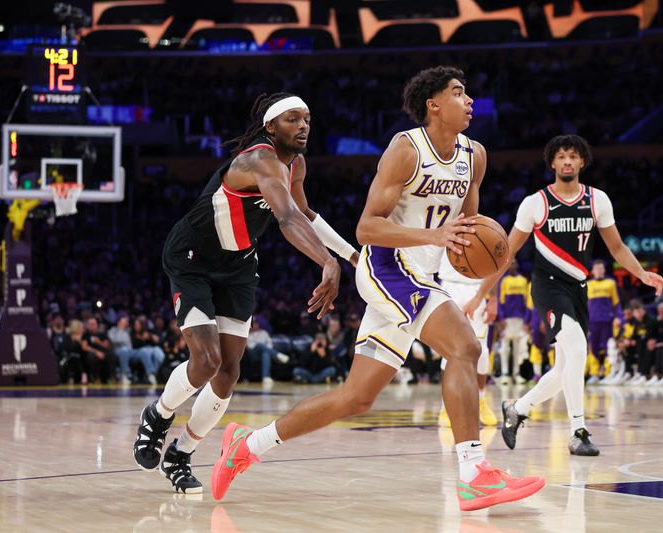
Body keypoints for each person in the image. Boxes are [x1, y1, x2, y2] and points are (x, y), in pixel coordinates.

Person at [212, 66, 545, 511]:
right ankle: (473, 473)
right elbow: (367, 227)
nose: (470, 102)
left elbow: (465, 230)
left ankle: (246, 446)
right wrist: (434, 238)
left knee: (356, 398)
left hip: (421, 276)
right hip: (387, 268)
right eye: (459, 93)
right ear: (433, 104)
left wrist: (474, 254)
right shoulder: (406, 150)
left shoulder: (475, 155)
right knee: (465, 348)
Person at [132, 92, 356, 494]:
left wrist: (350, 255)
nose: (304, 125)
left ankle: (181, 454)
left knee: (229, 371)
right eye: (293, 119)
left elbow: (303, 212)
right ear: (271, 126)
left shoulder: (296, 164)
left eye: (307, 118)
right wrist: (326, 262)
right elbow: (286, 218)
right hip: (193, 257)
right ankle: (159, 414)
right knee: (205, 360)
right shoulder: (259, 159)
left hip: (238, 266)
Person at [466, 134, 663, 456]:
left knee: (564, 369)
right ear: (552, 163)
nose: (567, 161)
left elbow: (616, 247)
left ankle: (517, 408)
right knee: (577, 348)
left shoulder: (597, 199)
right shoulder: (536, 203)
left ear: (582, 162)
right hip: (547, 286)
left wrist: (641, 274)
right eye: (561, 157)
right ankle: (578, 432)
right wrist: (480, 295)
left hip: (578, 289)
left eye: (573, 156)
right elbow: (506, 255)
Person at [436, 250, 498, 428]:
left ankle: (481, 400)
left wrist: (493, 299)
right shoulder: (442, 223)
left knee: (481, 351)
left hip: (478, 289)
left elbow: (495, 261)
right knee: (450, 351)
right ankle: (446, 406)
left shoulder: (482, 224)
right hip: (449, 287)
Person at [585, 260, 623, 384]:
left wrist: (618, 317)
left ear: (604, 270)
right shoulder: (588, 285)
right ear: (592, 271)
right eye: (597, 268)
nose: (599, 270)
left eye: (601, 268)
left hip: (607, 320)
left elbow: (616, 303)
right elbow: (584, 305)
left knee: (608, 347)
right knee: (593, 347)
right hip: (593, 321)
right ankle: (594, 373)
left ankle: (608, 373)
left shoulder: (611, 283)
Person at [495, 259, 530, 385]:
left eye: (515, 263)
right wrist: (501, 318)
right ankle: (505, 373)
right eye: (510, 264)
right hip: (507, 319)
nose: (513, 266)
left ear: (517, 265)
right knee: (505, 346)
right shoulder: (503, 281)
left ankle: (516, 373)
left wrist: (526, 320)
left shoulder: (523, 281)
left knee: (517, 347)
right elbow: (500, 301)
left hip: (519, 318)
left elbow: (527, 302)